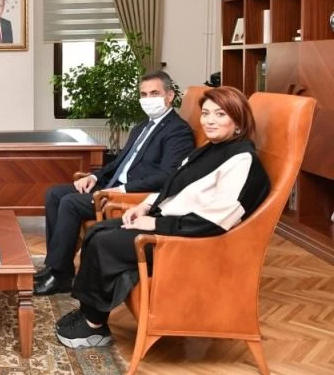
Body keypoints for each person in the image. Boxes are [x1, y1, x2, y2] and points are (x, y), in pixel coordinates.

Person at [56, 86, 271, 348]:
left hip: (187, 242)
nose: (209, 121)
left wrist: (156, 223)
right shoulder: (210, 149)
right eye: (205, 113)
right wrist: (145, 207)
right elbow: (172, 186)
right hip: (169, 224)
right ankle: (90, 312)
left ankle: (94, 327)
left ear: (238, 121)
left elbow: (215, 221)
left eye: (220, 114)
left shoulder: (242, 160)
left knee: (105, 243)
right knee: (97, 231)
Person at [35, 70, 194, 296]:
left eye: (154, 93)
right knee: (54, 193)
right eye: (143, 94)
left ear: (169, 96)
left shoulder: (178, 131)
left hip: (132, 195)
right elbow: (120, 162)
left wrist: (122, 189)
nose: (148, 99)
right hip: (113, 185)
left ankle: (60, 277)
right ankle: (55, 266)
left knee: (70, 202)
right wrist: (94, 177)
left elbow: (168, 176)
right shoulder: (142, 127)